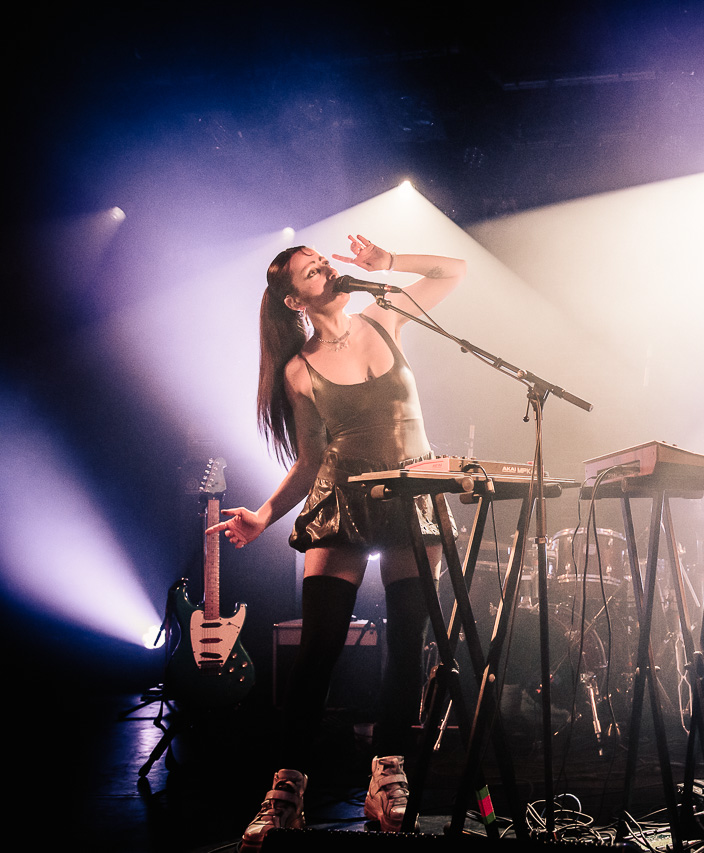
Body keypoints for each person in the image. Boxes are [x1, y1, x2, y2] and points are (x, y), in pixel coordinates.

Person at [208, 234, 466, 849]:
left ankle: (388, 778)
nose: (325, 269)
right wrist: (263, 516)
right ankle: (286, 790)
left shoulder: (383, 316)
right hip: (341, 500)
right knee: (319, 646)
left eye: (323, 261)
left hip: (412, 492)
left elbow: (452, 270)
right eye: (310, 271)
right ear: (294, 301)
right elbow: (309, 461)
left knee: (407, 643)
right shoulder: (298, 370)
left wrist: (388, 263)